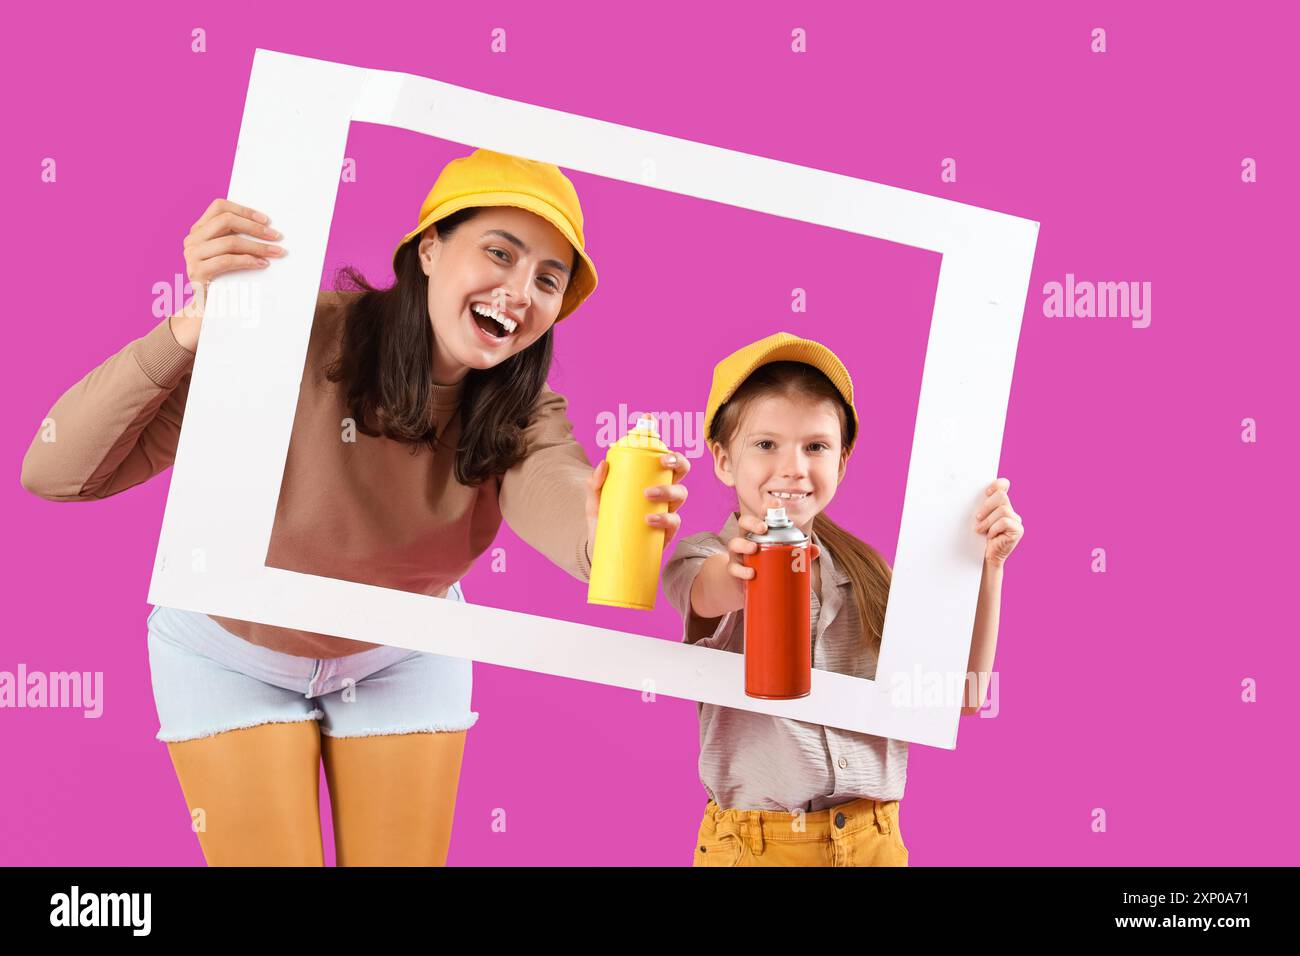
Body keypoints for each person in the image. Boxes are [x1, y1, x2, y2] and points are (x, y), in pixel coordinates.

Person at [20, 148, 690, 866]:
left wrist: (607, 529)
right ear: (430, 249)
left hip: (402, 653)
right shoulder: (293, 342)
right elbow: (58, 473)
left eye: (547, 280)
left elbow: (557, 495)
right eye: (500, 252)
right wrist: (192, 326)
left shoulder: (524, 412)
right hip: (229, 653)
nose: (520, 291)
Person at [660, 333, 1023, 866]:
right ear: (722, 459)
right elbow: (704, 590)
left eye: (815, 446)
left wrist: (987, 567)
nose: (793, 467)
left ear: (843, 461)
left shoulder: (868, 572)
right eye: (765, 444)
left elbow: (960, 695)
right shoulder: (704, 556)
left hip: (875, 837)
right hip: (760, 846)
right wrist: (742, 574)